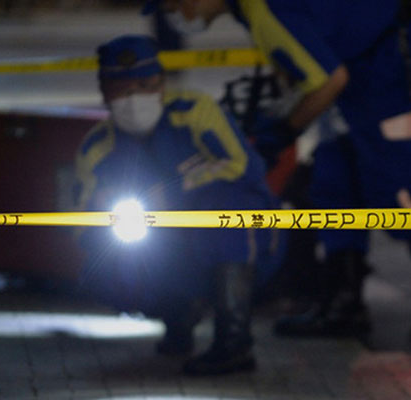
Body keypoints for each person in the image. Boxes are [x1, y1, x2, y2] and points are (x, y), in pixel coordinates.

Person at [144, 0, 411, 345]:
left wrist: (283, 132)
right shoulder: (251, 9)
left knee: (395, 195)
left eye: (172, 4)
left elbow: (328, 82)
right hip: (356, 71)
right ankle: (343, 305)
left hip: (390, 70)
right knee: (334, 187)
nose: (173, 13)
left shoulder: (266, 10)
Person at [74, 35, 283, 374]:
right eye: (122, 88)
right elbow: (80, 224)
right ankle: (177, 317)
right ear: (104, 91)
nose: (134, 98)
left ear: (161, 84)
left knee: (229, 209)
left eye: (145, 85)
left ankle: (234, 343)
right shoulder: (97, 148)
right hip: (157, 239)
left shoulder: (194, 112)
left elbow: (246, 166)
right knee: (106, 261)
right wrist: (103, 217)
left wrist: (176, 191)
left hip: (241, 240)